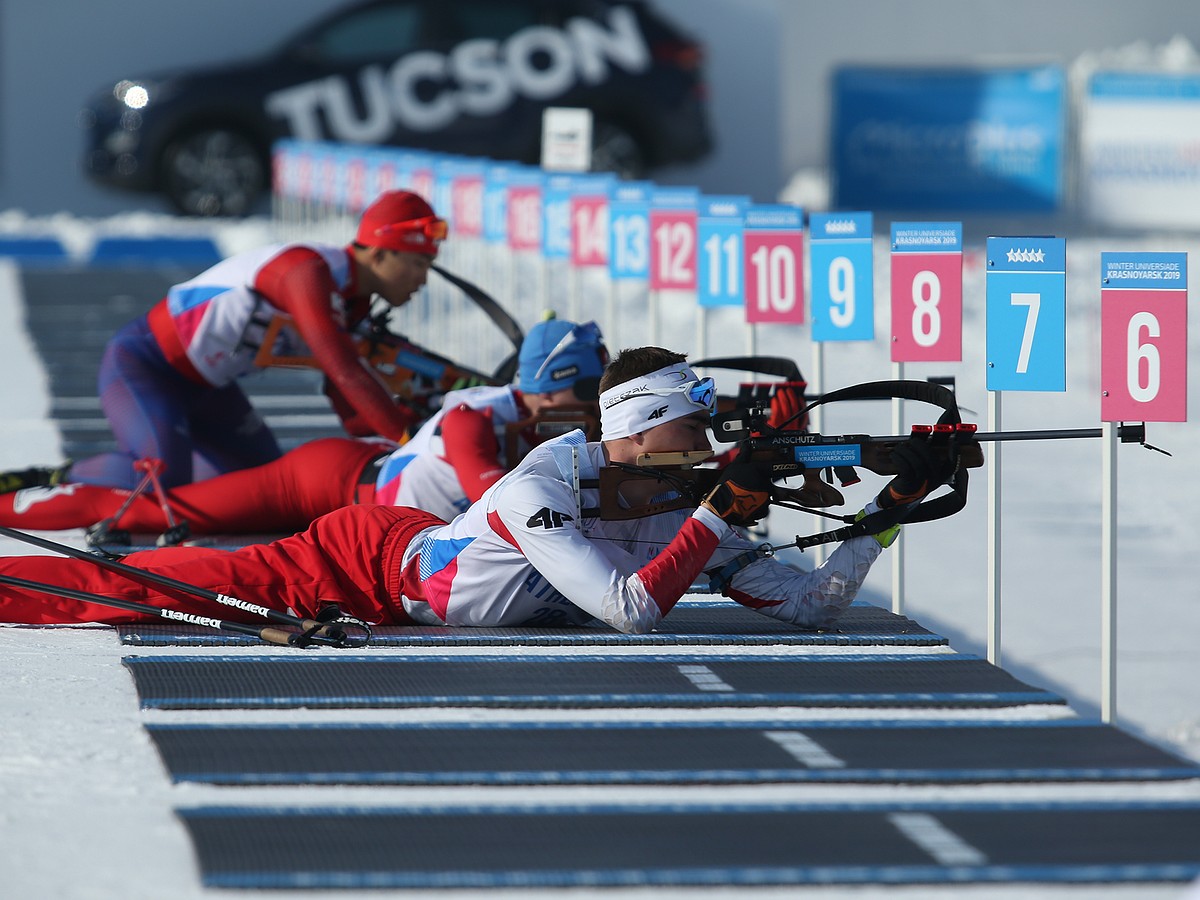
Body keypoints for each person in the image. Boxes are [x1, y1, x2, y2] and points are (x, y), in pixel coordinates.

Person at [0, 347, 950, 633]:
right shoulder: (548, 477)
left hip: (418, 544)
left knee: (169, 552)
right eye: (690, 424)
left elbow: (815, 605)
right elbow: (629, 611)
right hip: (363, 557)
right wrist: (711, 514)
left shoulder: (676, 495)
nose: (707, 443)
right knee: (157, 581)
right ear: (632, 430)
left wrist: (887, 516)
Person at [0, 317, 608, 537]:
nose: (596, 405)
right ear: (555, 381)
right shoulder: (478, 417)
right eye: (590, 389)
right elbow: (500, 504)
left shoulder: (534, 417)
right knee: (158, 512)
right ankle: (11, 510)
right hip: (326, 482)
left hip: (365, 489)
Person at [63, 190, 448, 491]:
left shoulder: (354, 300)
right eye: (418, 264)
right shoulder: (308, 272)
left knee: (259, 478)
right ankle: (58, 478)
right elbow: (343, 367)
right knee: (163, 480)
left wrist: (383, 453)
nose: (423, 280)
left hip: (208, 387)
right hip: (145, 366)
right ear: (381, 254)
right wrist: (409, 443)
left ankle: (164, 455)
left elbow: (343, 396)